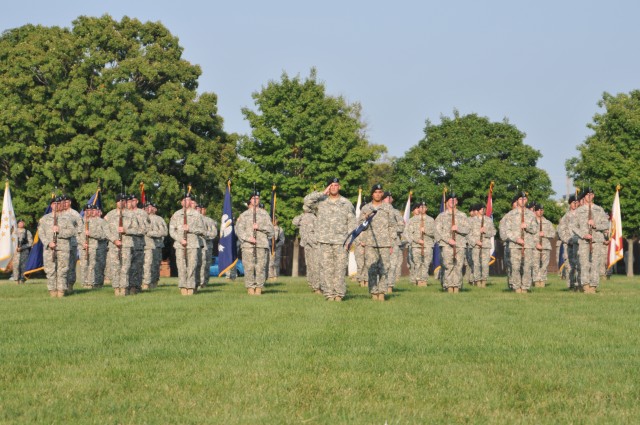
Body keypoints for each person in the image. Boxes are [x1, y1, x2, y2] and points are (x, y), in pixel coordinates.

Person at [304, 178, 355, 301]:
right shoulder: (321, 202)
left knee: (340, 268)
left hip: (341, 241)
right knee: (326, 269)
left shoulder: (346, 203)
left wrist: (350, 241)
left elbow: (352, 223)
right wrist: (322, 193)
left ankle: (339, 294)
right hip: (324, 241)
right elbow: (306, 201)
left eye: (336, 185)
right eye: (331, 185)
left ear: (339, 187)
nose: (333, 187)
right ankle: (329, 294)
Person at [358, 184, 396, 301]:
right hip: (370, 243)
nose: (378, 194)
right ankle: (374, 293)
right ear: (372, 194)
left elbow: (392, 226)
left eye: (380, 192)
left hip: (384, 243)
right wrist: (362, 240)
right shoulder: (366, 208)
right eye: (376, 192)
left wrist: (391, 242)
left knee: (385, 269)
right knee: (372, 269)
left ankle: (382, 293)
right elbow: (360, 227)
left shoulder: (388, 208)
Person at [571, 188, 609, 293]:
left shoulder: (599, 210)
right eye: (587, 194)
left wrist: (595, 225)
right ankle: (585, 285)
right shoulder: (579, 210)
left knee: (595, 263)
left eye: (591, 194)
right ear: (584, 196)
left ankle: (593, 286)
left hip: (596, 240)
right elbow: (573, 226)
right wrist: (583, 235)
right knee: (584, 263)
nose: (589, 196)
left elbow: (606, 224)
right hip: (584, 241)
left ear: (593, 196)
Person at [236, 191, 274, 295]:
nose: (255, 200)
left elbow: (271, 231)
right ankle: (250, 288)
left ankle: (259, 288)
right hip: (248, 246)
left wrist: (259, 227)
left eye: (257, 198)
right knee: (249, 267)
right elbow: (239, 230)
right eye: (253, 198)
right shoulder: (244, 215)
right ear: (250, 200)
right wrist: (249, 238)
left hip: (261, 245)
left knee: (260, 267)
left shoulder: (264, 214)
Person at [38, 197, 77, 297]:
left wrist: (60, 231)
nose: (57, 205)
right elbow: (41, 233)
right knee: (50, 271)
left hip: (63, 248)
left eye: (59, 204)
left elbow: (72, 232)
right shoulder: (44, 219)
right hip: (49, 249)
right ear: (51, 205)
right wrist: (48, 243)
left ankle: (61, 291)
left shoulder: (67, 218)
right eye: (54, 204)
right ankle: (52, 291)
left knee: (63, 270)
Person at [501, 192, 538, 293]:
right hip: (515, 245)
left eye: (525, 199)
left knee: (527, 267)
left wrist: (527, 227)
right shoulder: (510, 215)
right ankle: (517, 287)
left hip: (528, 245)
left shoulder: (531, 214)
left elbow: (535, 229)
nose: (523, 201)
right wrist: (516, 239)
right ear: (517, 201)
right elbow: (507, 231)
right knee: (515, 267)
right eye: (521, 199)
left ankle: (525, 287)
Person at [169, 193, 206, 296]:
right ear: (181, 202)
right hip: (180, 245)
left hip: (193, 244)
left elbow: (203, 230)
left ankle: (191, 286)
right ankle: (183, 286)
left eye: (189, 200)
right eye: (184, 200)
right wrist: (180, 239)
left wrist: (190, 229)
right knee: (181, 266)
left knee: (192, 266)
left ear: (191, 202)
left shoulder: (196, 214)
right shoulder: (176, 215)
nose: (186, 202)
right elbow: (172, 231)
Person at [434, 193, 470, 293]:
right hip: (446, 245)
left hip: (460, 244)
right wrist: (448, 240)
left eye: (454, 200)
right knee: (448, 265)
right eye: (450, 200)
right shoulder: (441, 216)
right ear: (447, 202)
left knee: (458, 266)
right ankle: (449, 287)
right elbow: (437, 231)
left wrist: (458, 229)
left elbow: (468, 229)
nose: (452, 201)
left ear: (457, 202)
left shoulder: (462, 215)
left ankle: (457, 286)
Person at [403, 201, 435, 286]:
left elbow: (435, 233)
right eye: (420, 207)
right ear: (418, 208)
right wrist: (416, 240)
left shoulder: (431, 220)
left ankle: (424, 280)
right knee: (417, 264)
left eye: (424, 207)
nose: (422, 209)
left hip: (427, 245)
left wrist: (426, 231)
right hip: (416, 246)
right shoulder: (412, 220)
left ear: (426, 208)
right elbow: (407, 233)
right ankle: (418, 280)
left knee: (426, 263)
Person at [79, 204, 108, 289]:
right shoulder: (81, 221)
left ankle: (95, 283)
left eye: (91, 210)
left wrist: (91, 234)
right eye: (87, 210)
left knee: (95, 266)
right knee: (84, 266)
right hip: (84, 247)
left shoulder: (100, 221)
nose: (89, 212)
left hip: (96, 247)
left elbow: (105, 235)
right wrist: (82, 243)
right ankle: (85, 283)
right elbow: (77, 234)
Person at [293, 205, 319, 292]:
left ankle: (317, 285)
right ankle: (312, 283)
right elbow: (294, 222)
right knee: (309, 264)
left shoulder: (315, 217)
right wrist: (302, 215)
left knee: (316, 264)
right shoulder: (302, 217)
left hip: (315, 243)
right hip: (306, 243)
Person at [468, 203, 496, 287]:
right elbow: (468, 234)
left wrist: (486, 231)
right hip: (475, 245)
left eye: (484, 208)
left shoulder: (488, 220)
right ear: (477, 210)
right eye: (481, 209)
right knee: (476, 264)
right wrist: (475, 241)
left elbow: (494, 232)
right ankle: (477, 280)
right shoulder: (471, 220)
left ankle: (484, 280)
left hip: (485, 245)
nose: (483, 210)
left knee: (485, 264)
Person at [384, 192, 405, 293]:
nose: (389, 199)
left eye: (390, 197)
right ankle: (380, 286)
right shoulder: (377, 210)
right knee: (382, 265)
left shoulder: (396, 212)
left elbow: (401, 226)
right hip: (381, 242)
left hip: (394, 241)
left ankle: (389, 286)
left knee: (392, 265)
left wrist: (391, 228)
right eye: (387, 197)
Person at [532, 203, 556, 288]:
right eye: (538, 210)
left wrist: (544, 234)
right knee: (535, 265)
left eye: (541, 210)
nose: (540, 211)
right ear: (535, 211)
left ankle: (542, 281)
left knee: (544, 265)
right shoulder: (532, 222)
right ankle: (536, 281)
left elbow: (553, 234)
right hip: (535, 247)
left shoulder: (547, 222)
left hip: (545, 247)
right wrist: (535, 243)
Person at [11, 219, 33, 284]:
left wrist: (22, 247)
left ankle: (22, 280)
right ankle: (16, 280)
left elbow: (30, 242)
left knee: (24, 266)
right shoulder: (13, 232)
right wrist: (16, 247)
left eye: (22, 223)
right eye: (20, 223)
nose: (21, 224)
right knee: (16, 266)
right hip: (15, 252)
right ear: (17, 224)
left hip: (24, 252)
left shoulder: (27, 232)